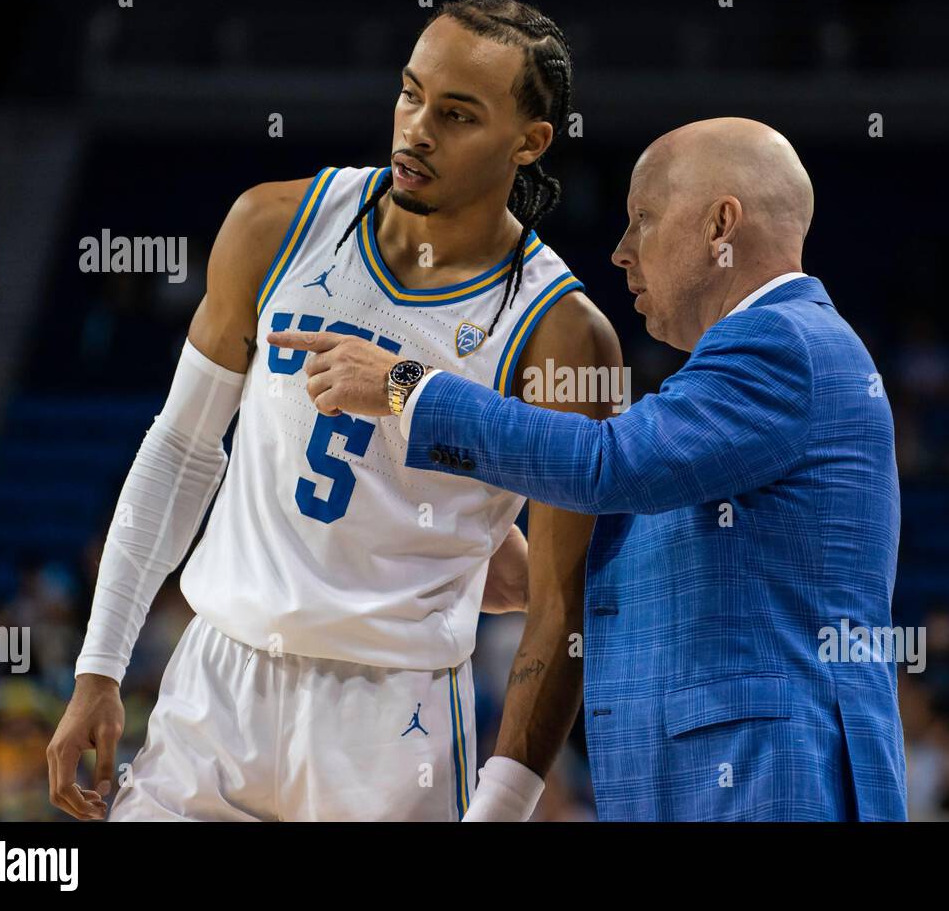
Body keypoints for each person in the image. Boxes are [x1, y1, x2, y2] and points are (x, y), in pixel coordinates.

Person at [47, 0, 620, 822]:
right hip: (217, 683)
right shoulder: (274, 224)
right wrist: (99, 667)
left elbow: (559, 606)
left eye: (457, 115)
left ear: (529, 143)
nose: (417, 129)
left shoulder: (563, 335)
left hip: (394, 723)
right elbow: (180, 450)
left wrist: (505, 803)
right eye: (410, 93)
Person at [270, 117, 907, 820]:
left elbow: (606, 465)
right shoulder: (762, 365)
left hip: (770, 784)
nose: (621, 251)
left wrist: (407, 389)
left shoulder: (782, 341)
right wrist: (486, 554)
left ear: (722, 222)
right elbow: (643, 547)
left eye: (644, 219)